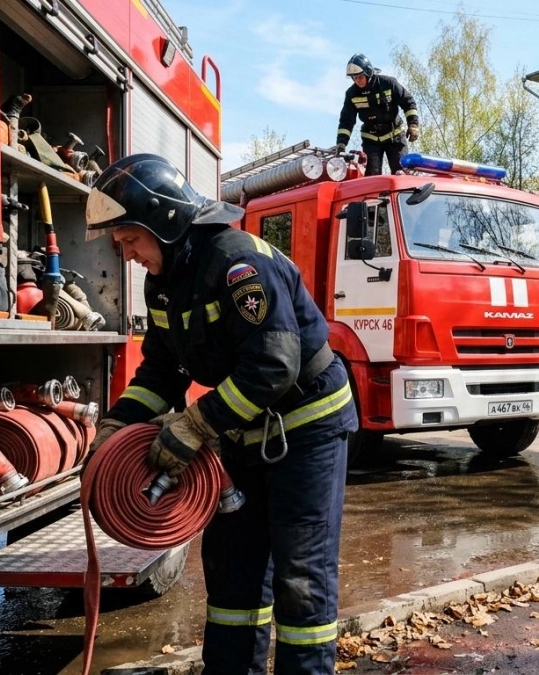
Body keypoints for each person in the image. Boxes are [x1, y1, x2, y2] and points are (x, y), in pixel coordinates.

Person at [83, 153, 358, 675]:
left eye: (130, 240)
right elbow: (163, 371)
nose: (127, 253)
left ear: (162, 223)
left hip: (306, 432)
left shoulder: (238, 263)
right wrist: (116, 426)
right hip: (240, 432)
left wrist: (194, 425)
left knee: (301, 580)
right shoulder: (164, 282)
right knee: (233, 571)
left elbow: (274, 365)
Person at [336, 53, 419, 176]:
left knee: (402, 172)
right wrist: (341, 143)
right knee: (372, 178)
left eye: (360, 77)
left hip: (394, 137)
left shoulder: (388, 83)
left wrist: (413, 125)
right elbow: (346, 121)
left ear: (368, 73)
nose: (357, 81)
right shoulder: (351, 94)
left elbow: (408, 102)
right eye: (354, 78)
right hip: (371, 140)